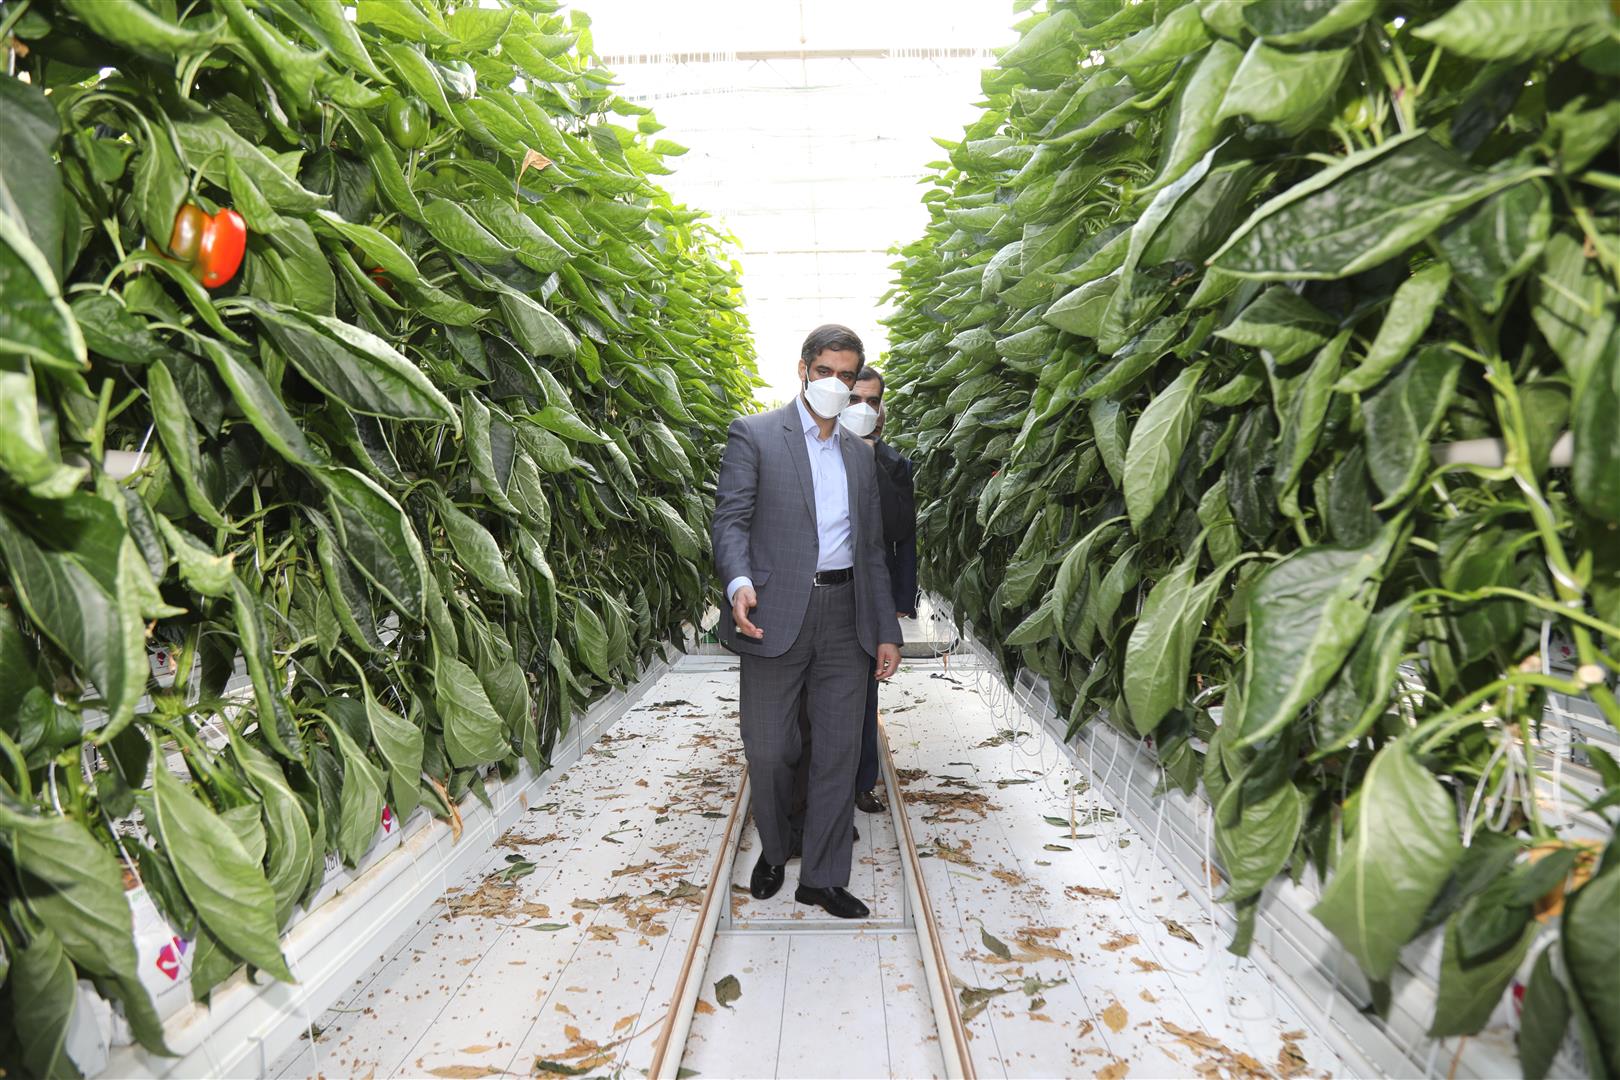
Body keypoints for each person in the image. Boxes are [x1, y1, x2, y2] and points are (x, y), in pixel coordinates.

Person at [711, 324, 904, 920]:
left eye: (847, 376)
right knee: (771, 750)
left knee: (838, 754)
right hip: (774, 614)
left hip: (846, 615)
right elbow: (731, 521)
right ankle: (776, 848)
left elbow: (871, 550)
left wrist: (886, 630)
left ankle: (822, 877)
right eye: (825, 372)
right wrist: (739, 583)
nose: (835, 384)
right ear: (803, 370)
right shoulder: (756, 434)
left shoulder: (858, 455)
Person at [843, 364, 917, 813]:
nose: (864, 408)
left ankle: (861, 781)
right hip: (823, 587)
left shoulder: (893, 463)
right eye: (855, 399)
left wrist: (901, 600)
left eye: (872, 401)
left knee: (865, 690)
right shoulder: (816, 452)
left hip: (870, 589)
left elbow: (901, 532)